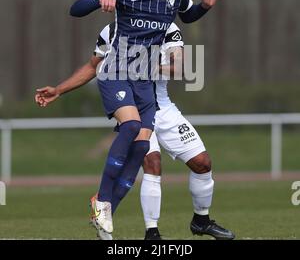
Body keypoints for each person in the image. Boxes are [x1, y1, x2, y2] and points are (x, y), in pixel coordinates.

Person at [68, 0, 222, 238]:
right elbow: (76, 10)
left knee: (194, 160)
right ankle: (138, 224)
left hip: (156, 98)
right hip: (124, 83)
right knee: (146, 153)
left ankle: (109, 209)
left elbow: (186, 23)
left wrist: (204, 6)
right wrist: (101, 1)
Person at [35, 20, 235, 241]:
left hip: (164, 108)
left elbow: (178, 69)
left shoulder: (167, 27)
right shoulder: (111, 31)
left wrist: (141, 65)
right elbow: (93, 67)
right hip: (133, 110)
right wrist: (59, 90)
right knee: (152, 163)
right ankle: (151, 232)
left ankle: (201, 221)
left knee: (203, 163)